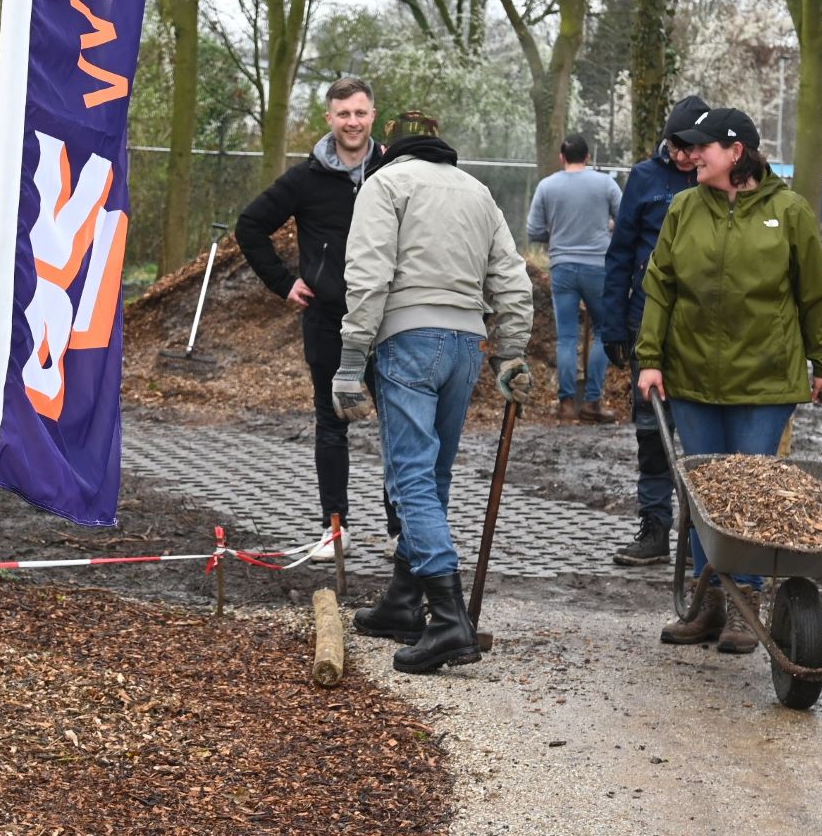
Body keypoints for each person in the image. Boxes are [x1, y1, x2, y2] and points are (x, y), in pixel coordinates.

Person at [335, 110, 534, 674]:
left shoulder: (384, 184)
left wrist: (350, 360)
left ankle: (447, 619)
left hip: (408, 340)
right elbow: (511, 277)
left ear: (389, 149)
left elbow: (369, 274)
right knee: (433, 474)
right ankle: (403, 601)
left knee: (411, 478)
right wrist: (511, 350)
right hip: (466, 344)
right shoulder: (477, 191)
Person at [634, 107, 822, 654]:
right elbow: (660, 286)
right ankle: (709, 601)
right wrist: (650, 357)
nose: (690, 155)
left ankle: (745, 603)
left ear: (736, 152)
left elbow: (814, 293)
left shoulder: (788, 212)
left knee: (748, 492)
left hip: (765, 380)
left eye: (701, 147)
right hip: (692, 374)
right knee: (704, 491)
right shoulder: (684, 208)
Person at [235, 76, 386, 559]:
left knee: (398, 426)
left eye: (359, 113)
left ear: (373, 115)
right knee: (332, 423)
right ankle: (334, 530)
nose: (352, 122)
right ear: (329, 118)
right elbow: (250, 226)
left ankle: (401, 531)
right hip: (329, 320)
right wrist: (284, 283)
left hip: (388, 321)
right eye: (343, 114)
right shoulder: (305, 179)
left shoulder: (393, 170)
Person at [600, 96, 707, 566]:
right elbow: (620, 253)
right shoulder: (644, 179)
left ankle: (702, 535)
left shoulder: (714, 178)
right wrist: (613, 322)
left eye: (692, 148)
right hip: (646, 321)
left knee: (701, 431)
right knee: (651, 431)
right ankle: (655, 526)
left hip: (700, 327)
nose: (685, 156)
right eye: (677, 147)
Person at [525, 133, 622, 423]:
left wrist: (558, 234)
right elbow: (625, 218)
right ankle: (592, 402)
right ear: (588, 157)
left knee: (566, 337)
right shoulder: (605, 184)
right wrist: (607, 228)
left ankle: (566, 404)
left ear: (562, 158)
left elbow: (534, 230)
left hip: (563, 267)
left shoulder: (547, 186)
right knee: (603, 332)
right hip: (598, 267)